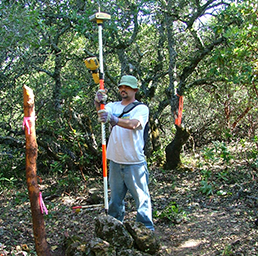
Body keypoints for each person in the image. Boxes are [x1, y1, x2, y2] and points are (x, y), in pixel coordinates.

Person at [94, 75, 154, 231]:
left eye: (127, 87)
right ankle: (114, 229)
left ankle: (146, 230)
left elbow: (135, 124)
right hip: (115, 161)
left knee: (142, 199)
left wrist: (113, 120)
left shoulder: (141, 108)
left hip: (134, 163)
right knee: (115, 201)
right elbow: (102, 112)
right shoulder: (113, 106)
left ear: (134, 89)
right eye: (121, 87)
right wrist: (98, 101)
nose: (123, 89)